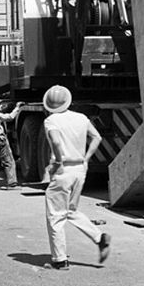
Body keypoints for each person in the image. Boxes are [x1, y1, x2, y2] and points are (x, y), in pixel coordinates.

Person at [41, 85, 110, 271]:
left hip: (63, 170)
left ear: (49, 105)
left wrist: (57, 161)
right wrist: (86, 158)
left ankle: (59, 260)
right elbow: (97, 137)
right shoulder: (81, 118)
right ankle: (99, 237)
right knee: (70, 209)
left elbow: (55, 141)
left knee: (55, 216)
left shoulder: (51, 121)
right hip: (80, 168)